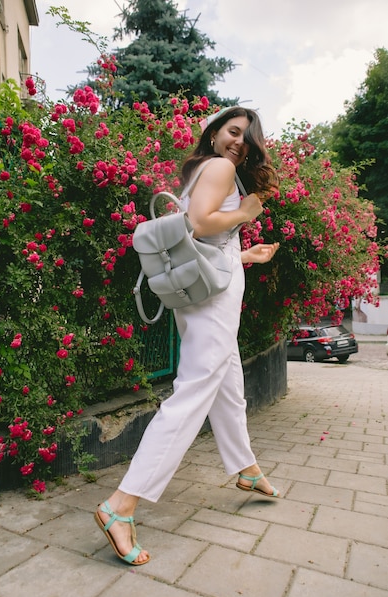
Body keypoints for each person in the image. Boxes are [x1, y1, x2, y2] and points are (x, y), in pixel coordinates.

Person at [95, 106, 281, 565]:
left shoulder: (202, 171)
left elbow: (199, 247)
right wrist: (245, 213)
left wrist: (246, 256)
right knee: (194, 393)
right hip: (213, 304)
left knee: (228, 386)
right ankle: (121, 506)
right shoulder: (219, 168)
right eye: (232, 132)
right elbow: (200, 224)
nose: (239, 142)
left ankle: (246, 469)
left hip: (207, 295)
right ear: (214, 133)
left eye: (247, 136)